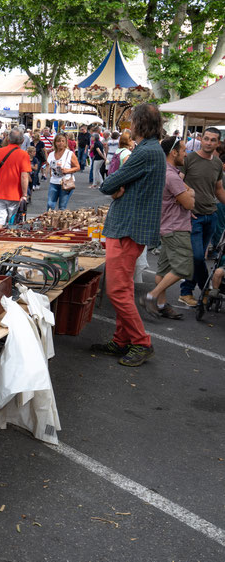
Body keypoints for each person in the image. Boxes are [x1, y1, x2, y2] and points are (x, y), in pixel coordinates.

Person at [93, 103, 166, 367]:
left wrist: (118, 186)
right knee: (122, 288)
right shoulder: (151, 150)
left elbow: (108, 184)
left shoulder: (146, 151)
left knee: (116, 290)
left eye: (132, 121)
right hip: (131, 226)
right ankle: (121, 340)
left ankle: (140, 342)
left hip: (127, 227)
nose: (129, 125)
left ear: (138, 124)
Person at [143, 137, 194, 320]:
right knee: (184, 267)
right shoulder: (172, 176)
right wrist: (191, 194)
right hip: (176, 228)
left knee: (164, 270)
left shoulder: (167, 172)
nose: (185, 154)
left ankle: (163, 305)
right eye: (183, 150)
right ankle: (152, 296)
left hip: (167, 226)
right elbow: (189, 203)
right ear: (173, 152)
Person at [177, 127, 225, 307]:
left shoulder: (217, 164)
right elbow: (178, 185)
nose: (209, 142)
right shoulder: (189, 159)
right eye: (206, 139)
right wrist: (185, 207)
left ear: (217, 143)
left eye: (213, 140)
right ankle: (206, 289)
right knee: (197, 257)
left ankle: (187, 292)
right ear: (201, 139)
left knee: (199, 258)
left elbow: (218, 190)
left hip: (210, 216)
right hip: (193, 216)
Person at [0, 129, 30, 233]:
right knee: (12, 220)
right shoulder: (24, 155)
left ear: (8, 139)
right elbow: (24, 176)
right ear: (22, 141)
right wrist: (24, 194)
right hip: (15, 193)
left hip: (0, 192)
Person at [46, 133, 80, 210]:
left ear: (65, 143)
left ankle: (59, 221)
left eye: (62, 141)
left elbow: (77, 167)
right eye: (58, 141)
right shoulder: (51, 154)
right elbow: (50, 166)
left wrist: (67, 170)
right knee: (50, 204)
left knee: (62, 206)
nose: (60, 143)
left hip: (66, 182)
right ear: (55, 142)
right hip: (54, 182)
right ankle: (49, 221)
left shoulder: (69, 153)